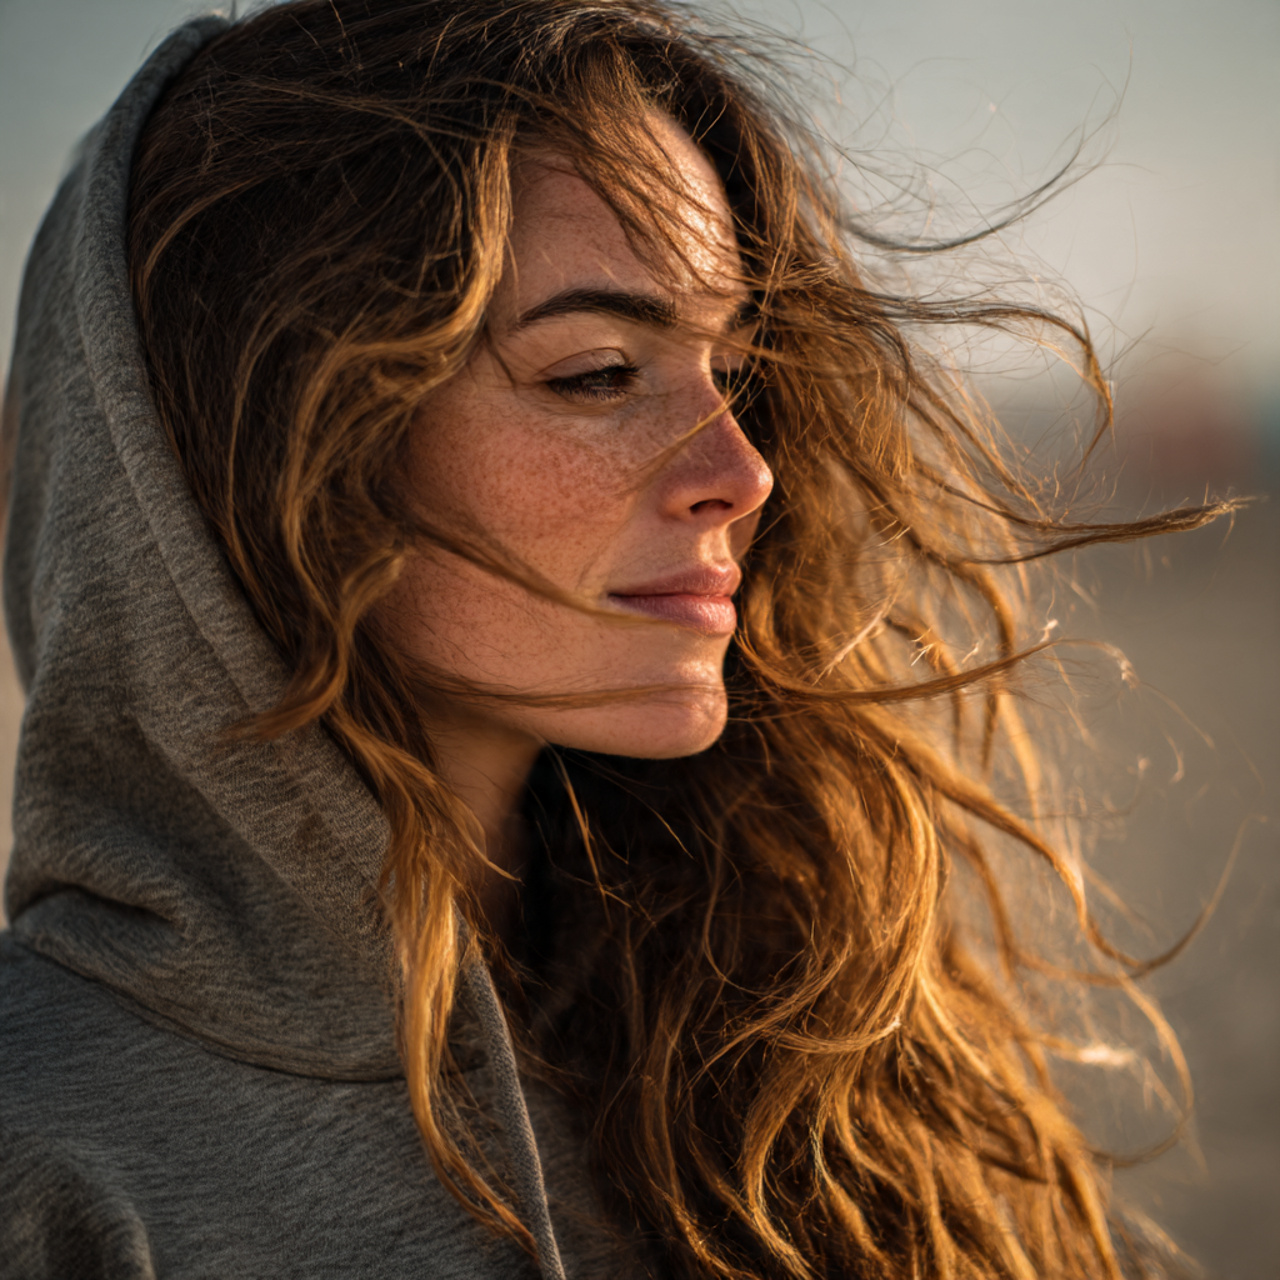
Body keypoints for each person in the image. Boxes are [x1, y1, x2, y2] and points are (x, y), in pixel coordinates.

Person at [0, 1, 1234, 1276]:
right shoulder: (41, 1160)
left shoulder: (775, 1034)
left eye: (731, 372)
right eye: (597, 372)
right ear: (258, 455)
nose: (741, 472)